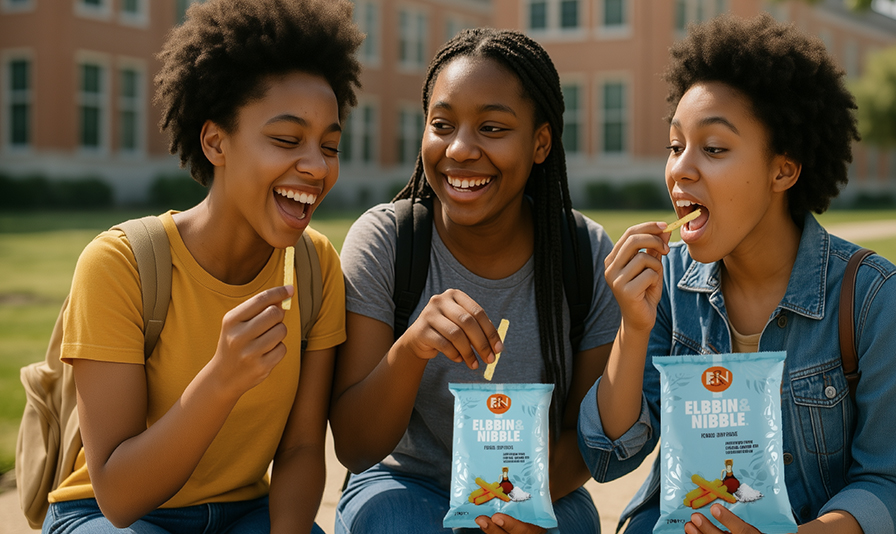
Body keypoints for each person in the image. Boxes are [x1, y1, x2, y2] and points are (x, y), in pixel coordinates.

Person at [577, 13, 896, 534]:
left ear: (783, 170)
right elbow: (610, 456)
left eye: (715, 148)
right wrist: (633, 328)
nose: (680, 169)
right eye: (676, 146)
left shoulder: (877, 301)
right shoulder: (668, 288)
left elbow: (892, 489)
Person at [42, 1, 362, 532]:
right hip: (109, 516)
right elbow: (120, 498)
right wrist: (221, 381)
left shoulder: (314, 265)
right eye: (286, 139)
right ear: (215, 142)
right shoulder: (120, 264)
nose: (315, 165)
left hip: (248, 514)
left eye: (329, 145)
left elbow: (305, 446)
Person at [331, 28, 621, 534]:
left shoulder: (584, 254)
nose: (460, 149)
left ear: (540, 143)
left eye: (492, 128)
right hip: (405, 485)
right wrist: (412, 348)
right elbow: (355, 446)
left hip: (536, 488)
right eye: (442, 124)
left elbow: (586, 439)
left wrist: (512, 501)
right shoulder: (387, 241)